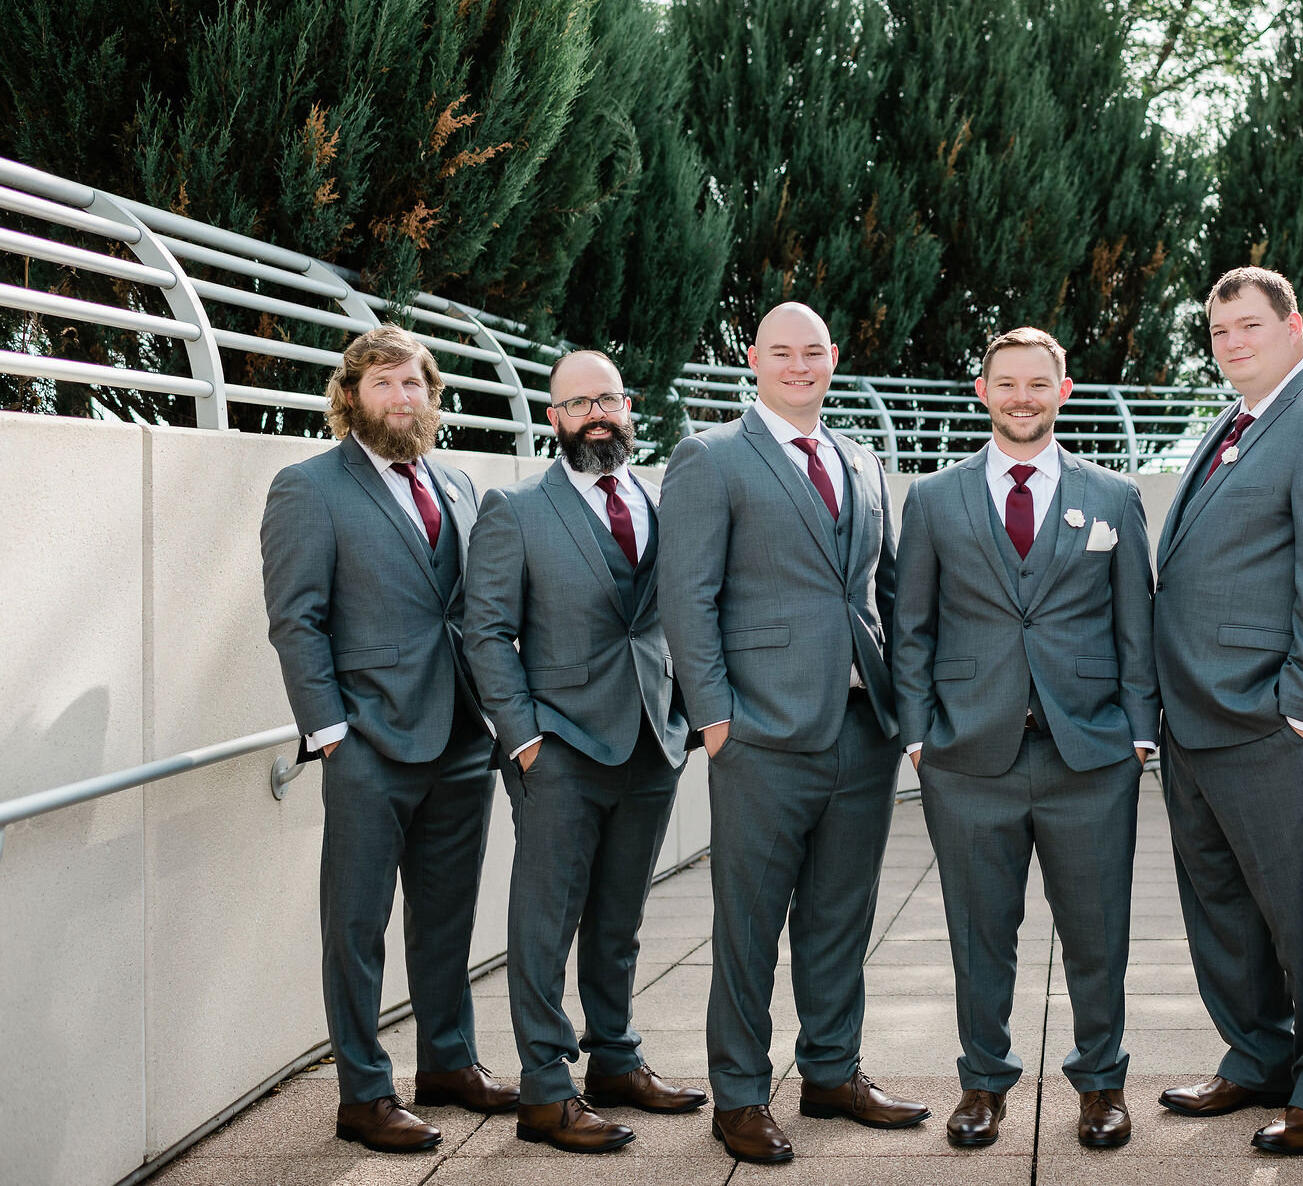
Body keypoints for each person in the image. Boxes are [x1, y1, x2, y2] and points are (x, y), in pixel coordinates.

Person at [659, 303, 928, 1164]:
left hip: (862, 727)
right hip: (761, 733)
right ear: (755, 359)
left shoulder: (860, 457)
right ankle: (739, 1092)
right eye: (783, 352)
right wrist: (714, 717)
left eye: (814, 351)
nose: (801, 365)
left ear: (834, 357)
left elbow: (881, 590)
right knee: (747, 923)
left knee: (840, 916)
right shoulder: (711, 457)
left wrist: (903, 709)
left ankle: (831, 1070)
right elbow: (686, 596)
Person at [892, 328, 1159, 1152]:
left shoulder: (1112, 497)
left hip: (1092, 755)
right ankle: (982, 1083)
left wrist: (1140, 735)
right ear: (981, 392)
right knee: (979, 930)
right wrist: (917, 739)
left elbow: (1135, 626)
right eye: (1006, 382)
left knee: (1097, 929)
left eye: (1037, 383)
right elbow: (912, 629)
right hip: (969, 755)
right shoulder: (934, 497)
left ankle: (1102, 1083)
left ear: (1064, 390)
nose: (1021, 396)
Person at [1152, 267, 1303, 1156]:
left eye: (1250, 325)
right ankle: (1258, 1055)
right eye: (1219, 332)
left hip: (1267, 720)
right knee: (1220, 902)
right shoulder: (1235, 421)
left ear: (1295, 323)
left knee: (1299, 910)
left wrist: (1298, 707)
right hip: (1197, 718)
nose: (1233, 343)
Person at [260, 324, 515, 1152]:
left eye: (414, 384)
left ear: (430, 395)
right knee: (356, 923)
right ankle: (364, 1093)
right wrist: (331, 734)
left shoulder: (459, 483)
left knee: (446, 917)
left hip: (460, 739)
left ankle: (448, 1060)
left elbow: (472, 609)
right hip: (368, 741)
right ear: (350, 397)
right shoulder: (309, 488)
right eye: (384, 384)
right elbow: (297, 620)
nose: (402, 398)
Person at [464, 350, 702, 1152]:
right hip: (557, 745)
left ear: (630, 407)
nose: (594, 415)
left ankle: (615, 1058)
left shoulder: (667, 501)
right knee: (545, 920)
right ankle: (544, 1088)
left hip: (651, 740)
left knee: (619, 918)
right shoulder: (516, 508)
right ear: (554, 418)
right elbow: (486, 632)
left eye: (606, 399)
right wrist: (524, 738)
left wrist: (687, 715)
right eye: (576, 404)